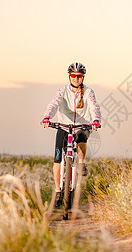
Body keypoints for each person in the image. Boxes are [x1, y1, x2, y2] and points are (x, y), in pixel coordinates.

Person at [41, 62, 101, 206]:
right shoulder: (63, 91)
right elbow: (54, 103)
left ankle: (80, 163)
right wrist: (47, 117)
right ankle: (57, 190)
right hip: (63, 125)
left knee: (82, 138)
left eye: (79, 76)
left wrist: (96, 120)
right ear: (69, 76)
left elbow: (94, 106)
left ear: (83, 78)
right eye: (73, 76)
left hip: (82, 125)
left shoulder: (88, 92)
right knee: (57, 159)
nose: (76, 78)